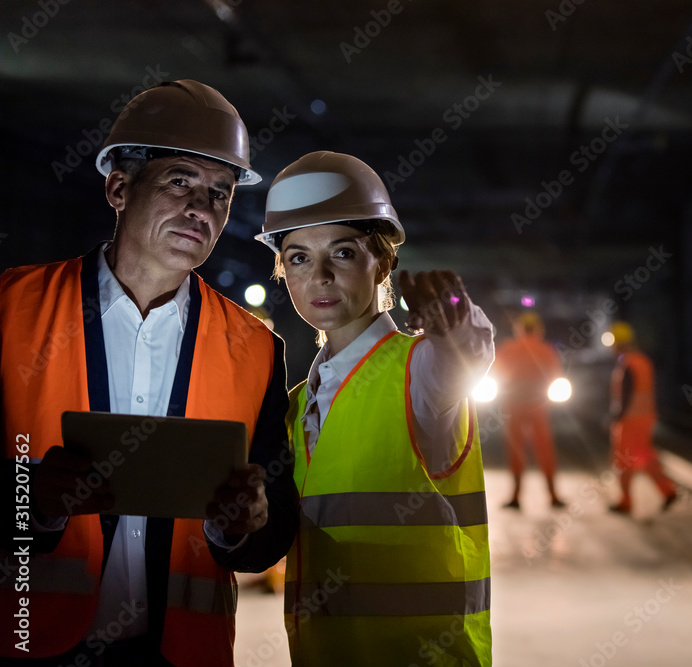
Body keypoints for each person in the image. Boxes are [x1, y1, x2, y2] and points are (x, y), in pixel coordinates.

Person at [0, 80, 299, 666]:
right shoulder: (11, 311)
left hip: (180, 654)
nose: (201, 209)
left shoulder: (256, 348)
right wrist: (24, 499)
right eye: (180, 181)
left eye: (220, 193)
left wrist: (243, 527)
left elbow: (273, 523)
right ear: (118, 187)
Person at [256, 151, 493, 665]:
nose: (319, 275)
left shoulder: (418, 372)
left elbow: (463, 357)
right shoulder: (297, 405)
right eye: (298, 257)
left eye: (342, 252)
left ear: (383, 261)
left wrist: (455, 323)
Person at [492, 312, 565, 509]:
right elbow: (555, 376)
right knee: (545, 450)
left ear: (519, 329)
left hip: (513, 405)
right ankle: (553, 495)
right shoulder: (546, 350)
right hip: (538, 407)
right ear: (539, 330)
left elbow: (497, 373)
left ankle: (516, 496)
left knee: (516, 451)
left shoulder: (508, 349)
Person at [606, 321, 676, 514]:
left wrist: (616, 416)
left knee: (624, 461)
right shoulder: (642, 361)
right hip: (645, 418)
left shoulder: (628, 364)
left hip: (630, 421)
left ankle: (626, 501)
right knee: (645, 456)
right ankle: (667, 490)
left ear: (618, 342)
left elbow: (627, 395)